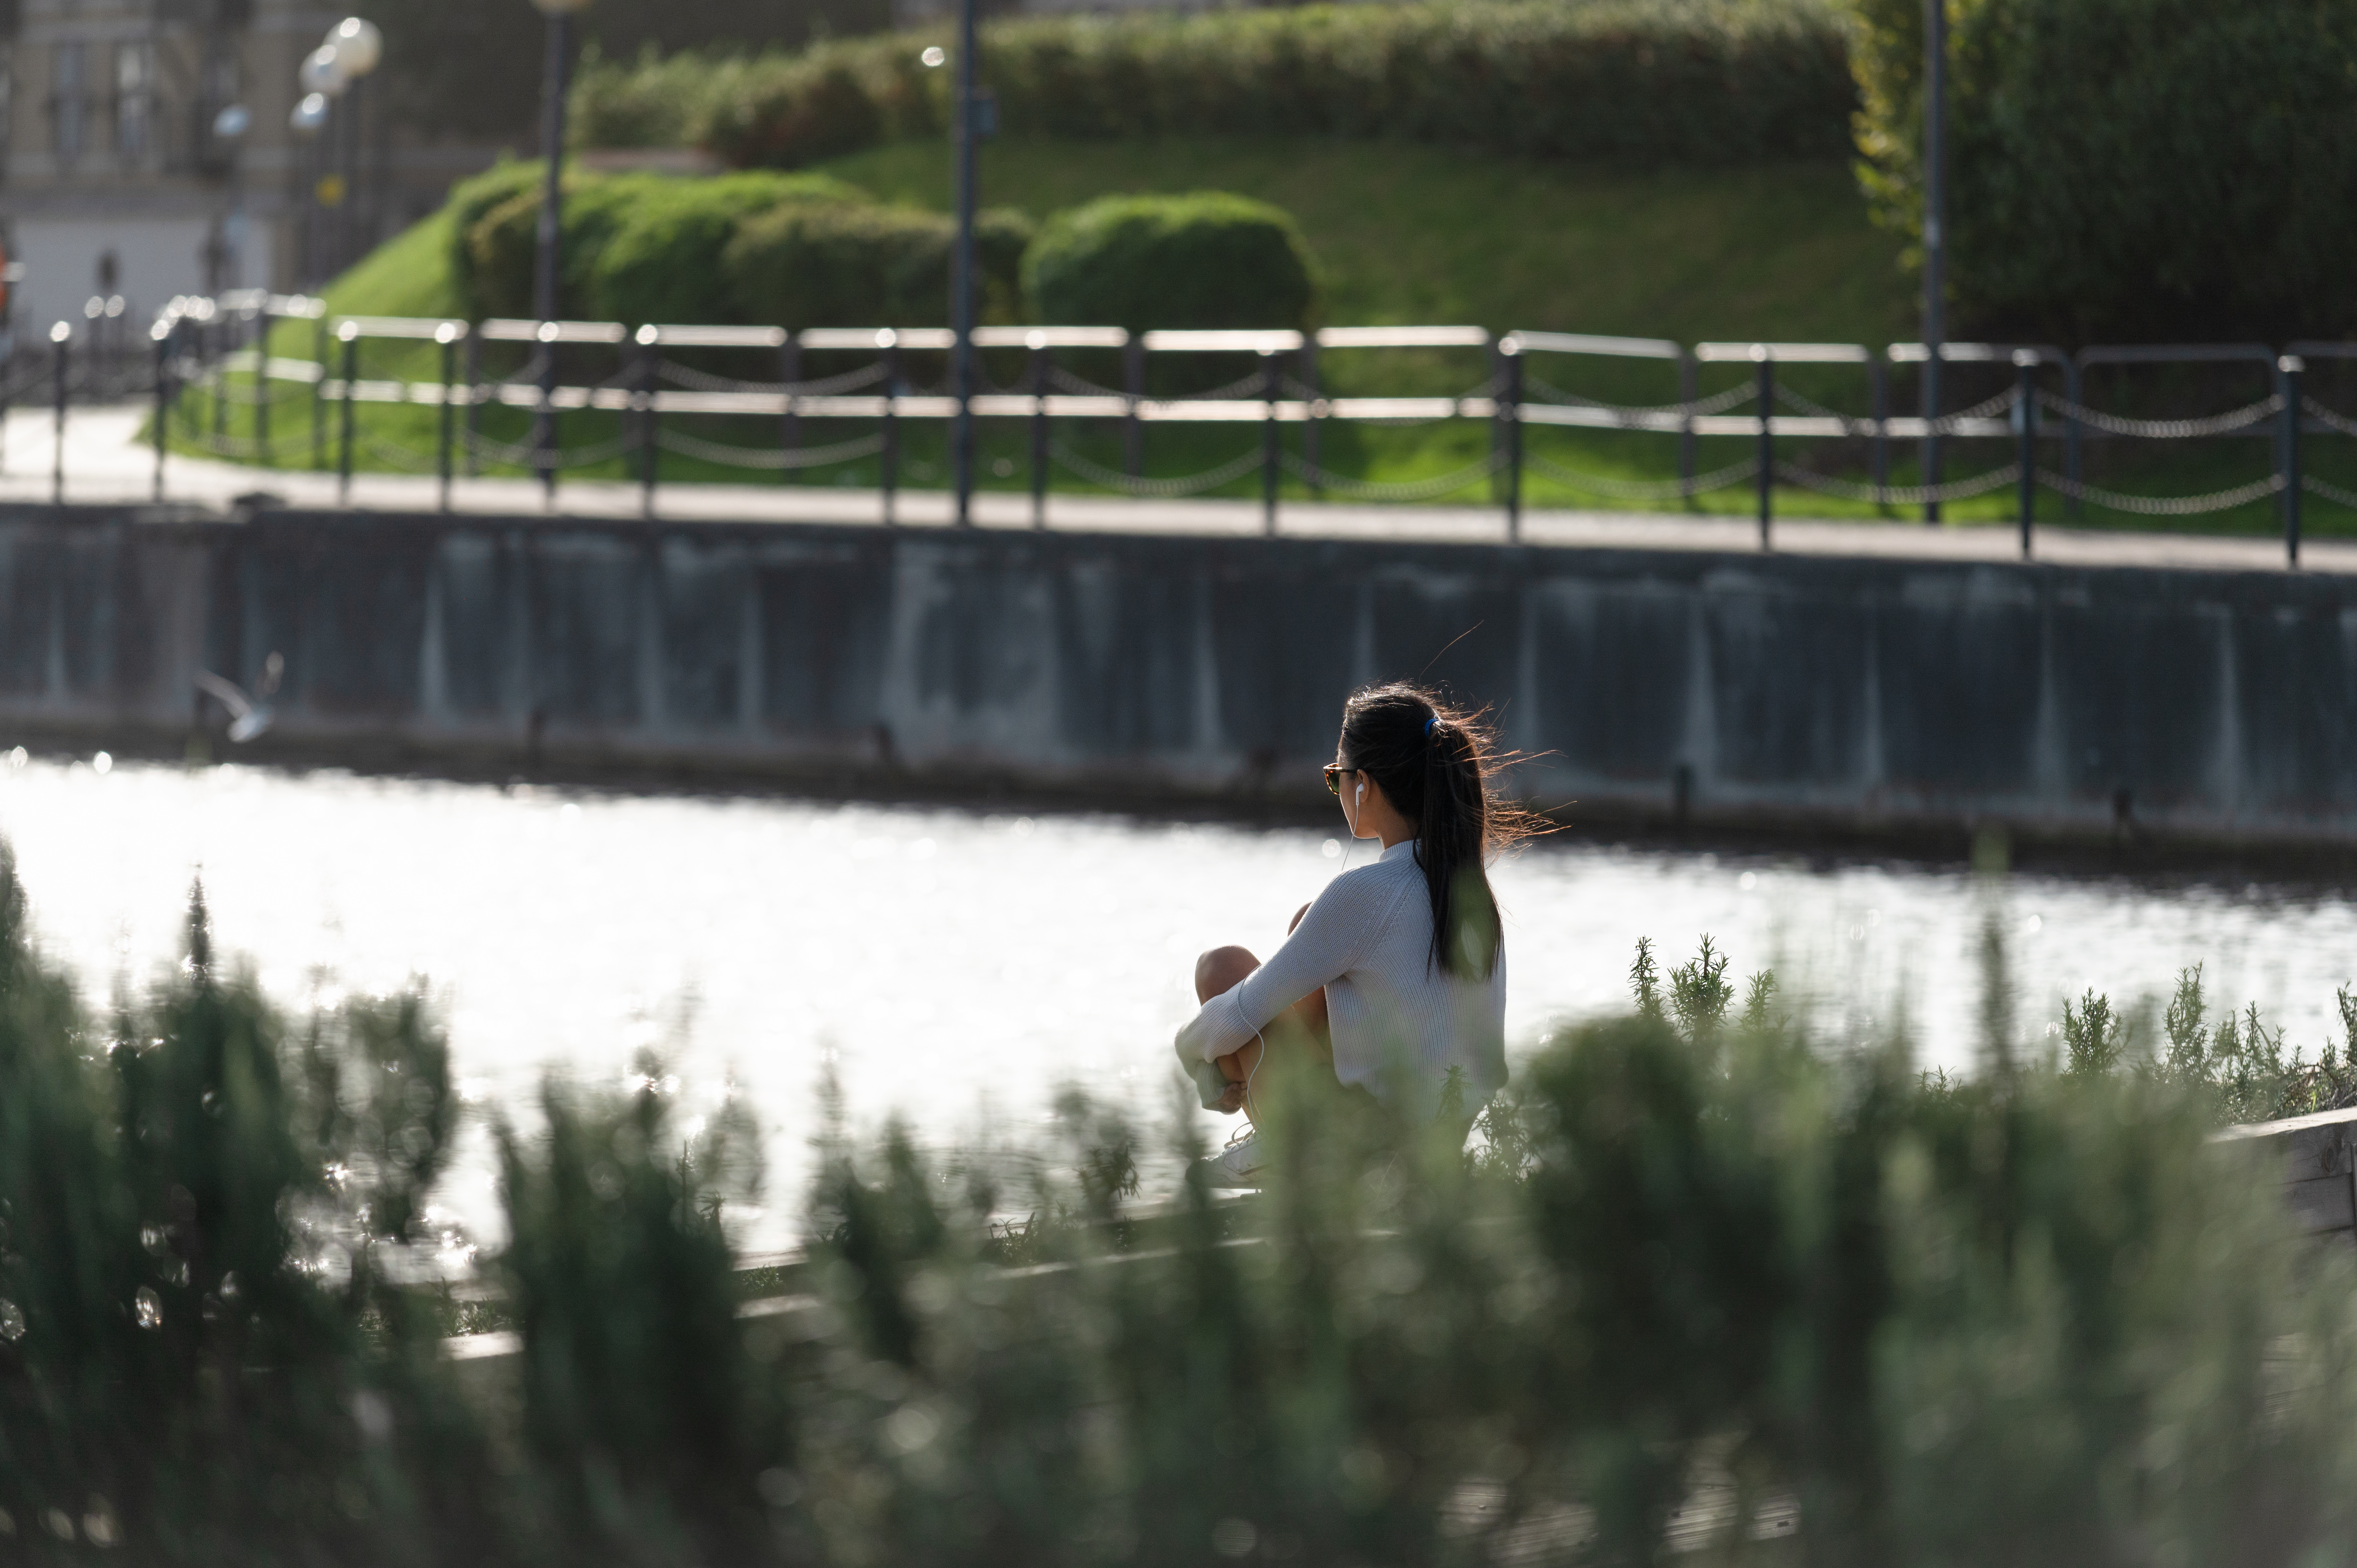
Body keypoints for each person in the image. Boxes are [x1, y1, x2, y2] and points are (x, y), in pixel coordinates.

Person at [1173, 682, 1528, 1187]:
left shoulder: (1367, 892)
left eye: (1334, 778)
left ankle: (1290, 1151)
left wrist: (1191, 1054)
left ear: (1364, 785)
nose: (1337, 790)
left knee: (1221, 968)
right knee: (1306, 924)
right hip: (1438, 1143)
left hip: (1373, 1150)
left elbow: (1240, 1014)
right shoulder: (1470, 892)